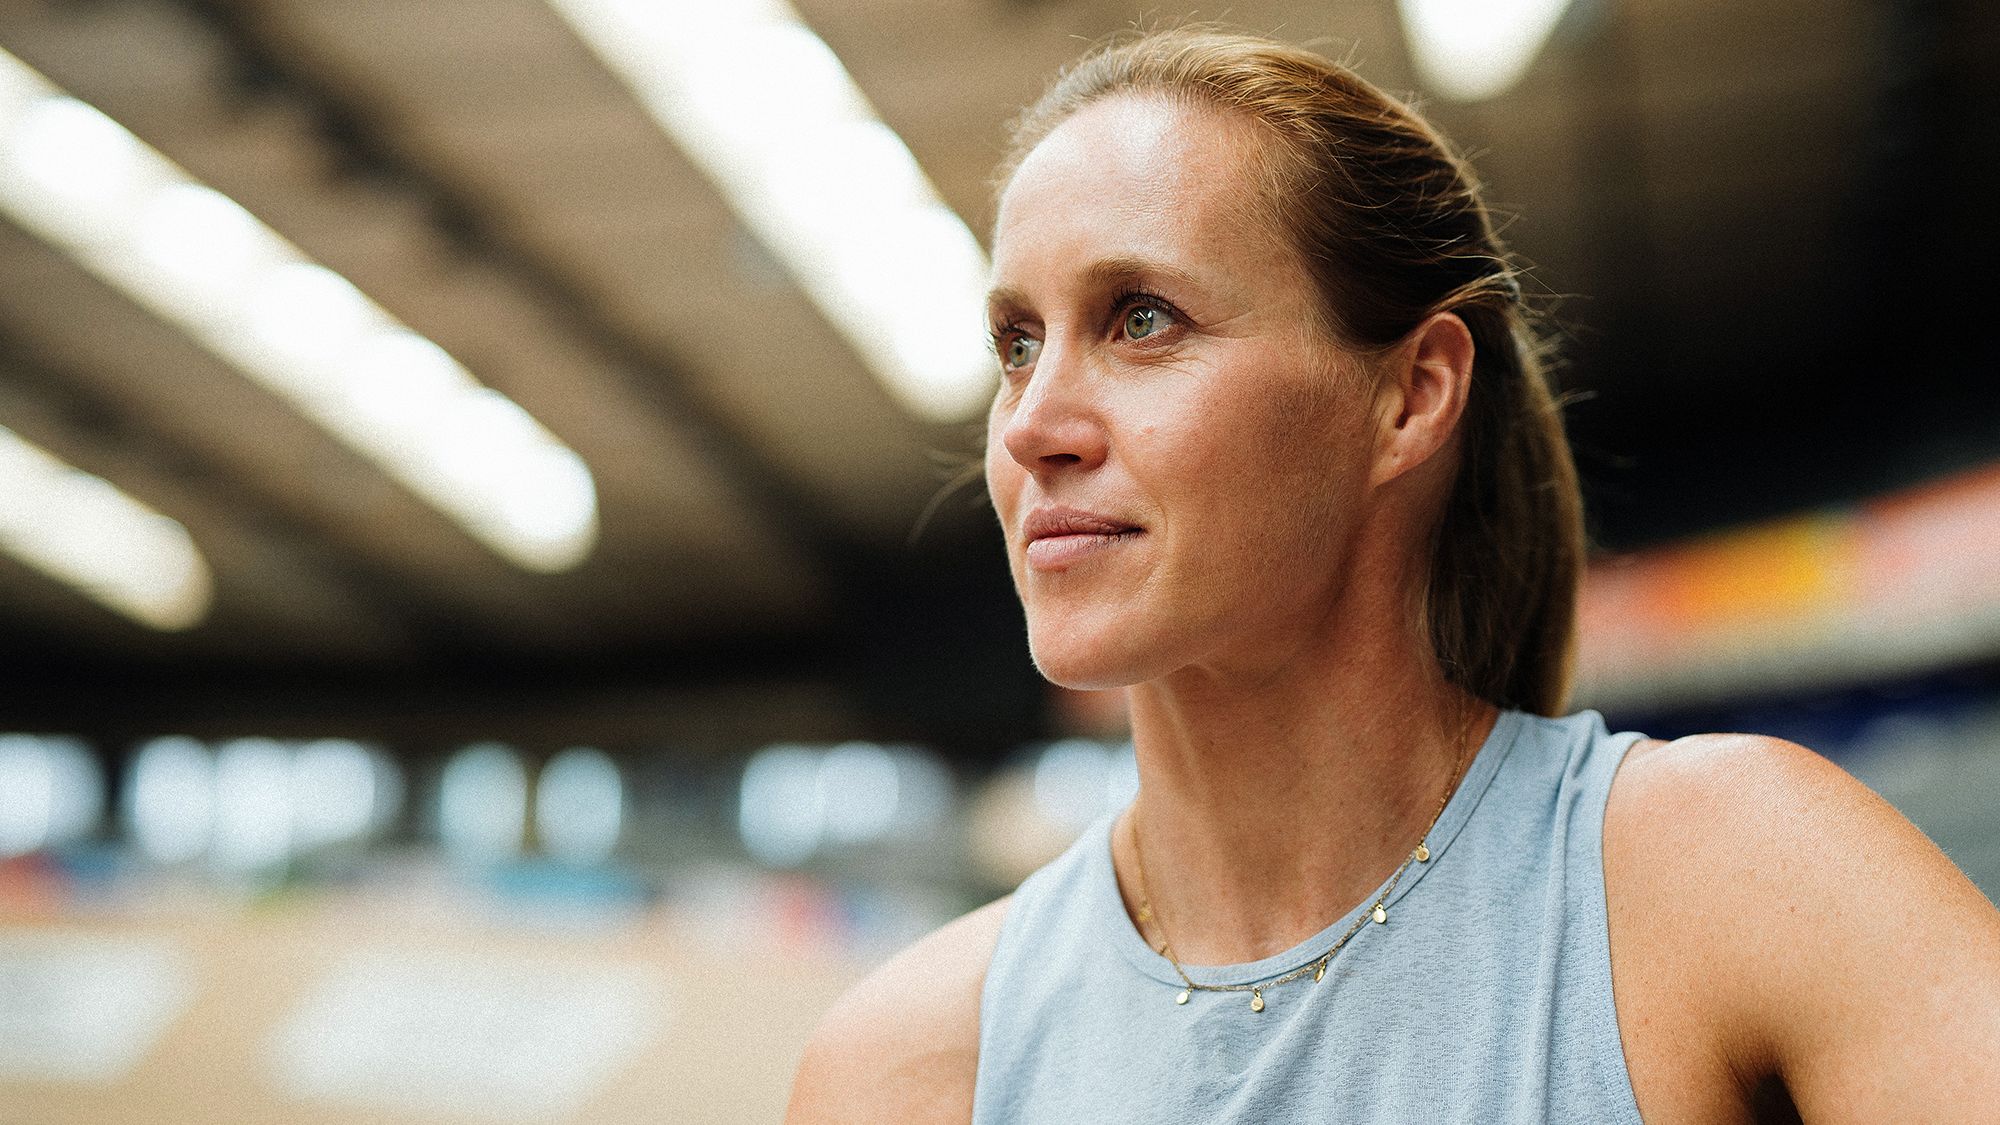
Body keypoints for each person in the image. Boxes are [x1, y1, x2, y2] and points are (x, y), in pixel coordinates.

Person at [786, 27, 2000, 1123]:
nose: (1031, 423)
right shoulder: (902, 1066)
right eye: (1016, 343)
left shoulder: (1733, 872)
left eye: (1141, 318)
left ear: (1409, 395)